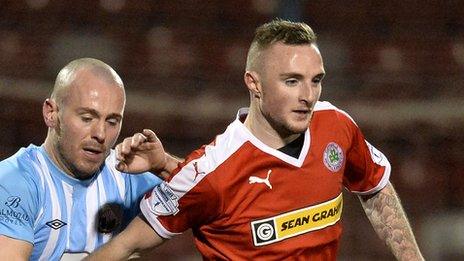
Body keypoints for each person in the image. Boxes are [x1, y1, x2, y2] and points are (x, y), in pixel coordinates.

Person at [87, 19, 424, 260]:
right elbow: (124, 246)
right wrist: (164, 166)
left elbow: (375, 187)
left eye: (316, 80)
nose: (308, 95)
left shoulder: (336, 126)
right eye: (292, 81)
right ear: (254, 83)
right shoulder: (211, 171)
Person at [0, 58, 163, 260]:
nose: (101, 134)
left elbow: (205, 186)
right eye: (87, 118)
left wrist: (164, 165)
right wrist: (124, 246)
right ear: (51, 113)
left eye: (112, 121)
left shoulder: (124, 175)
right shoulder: (13, 182)